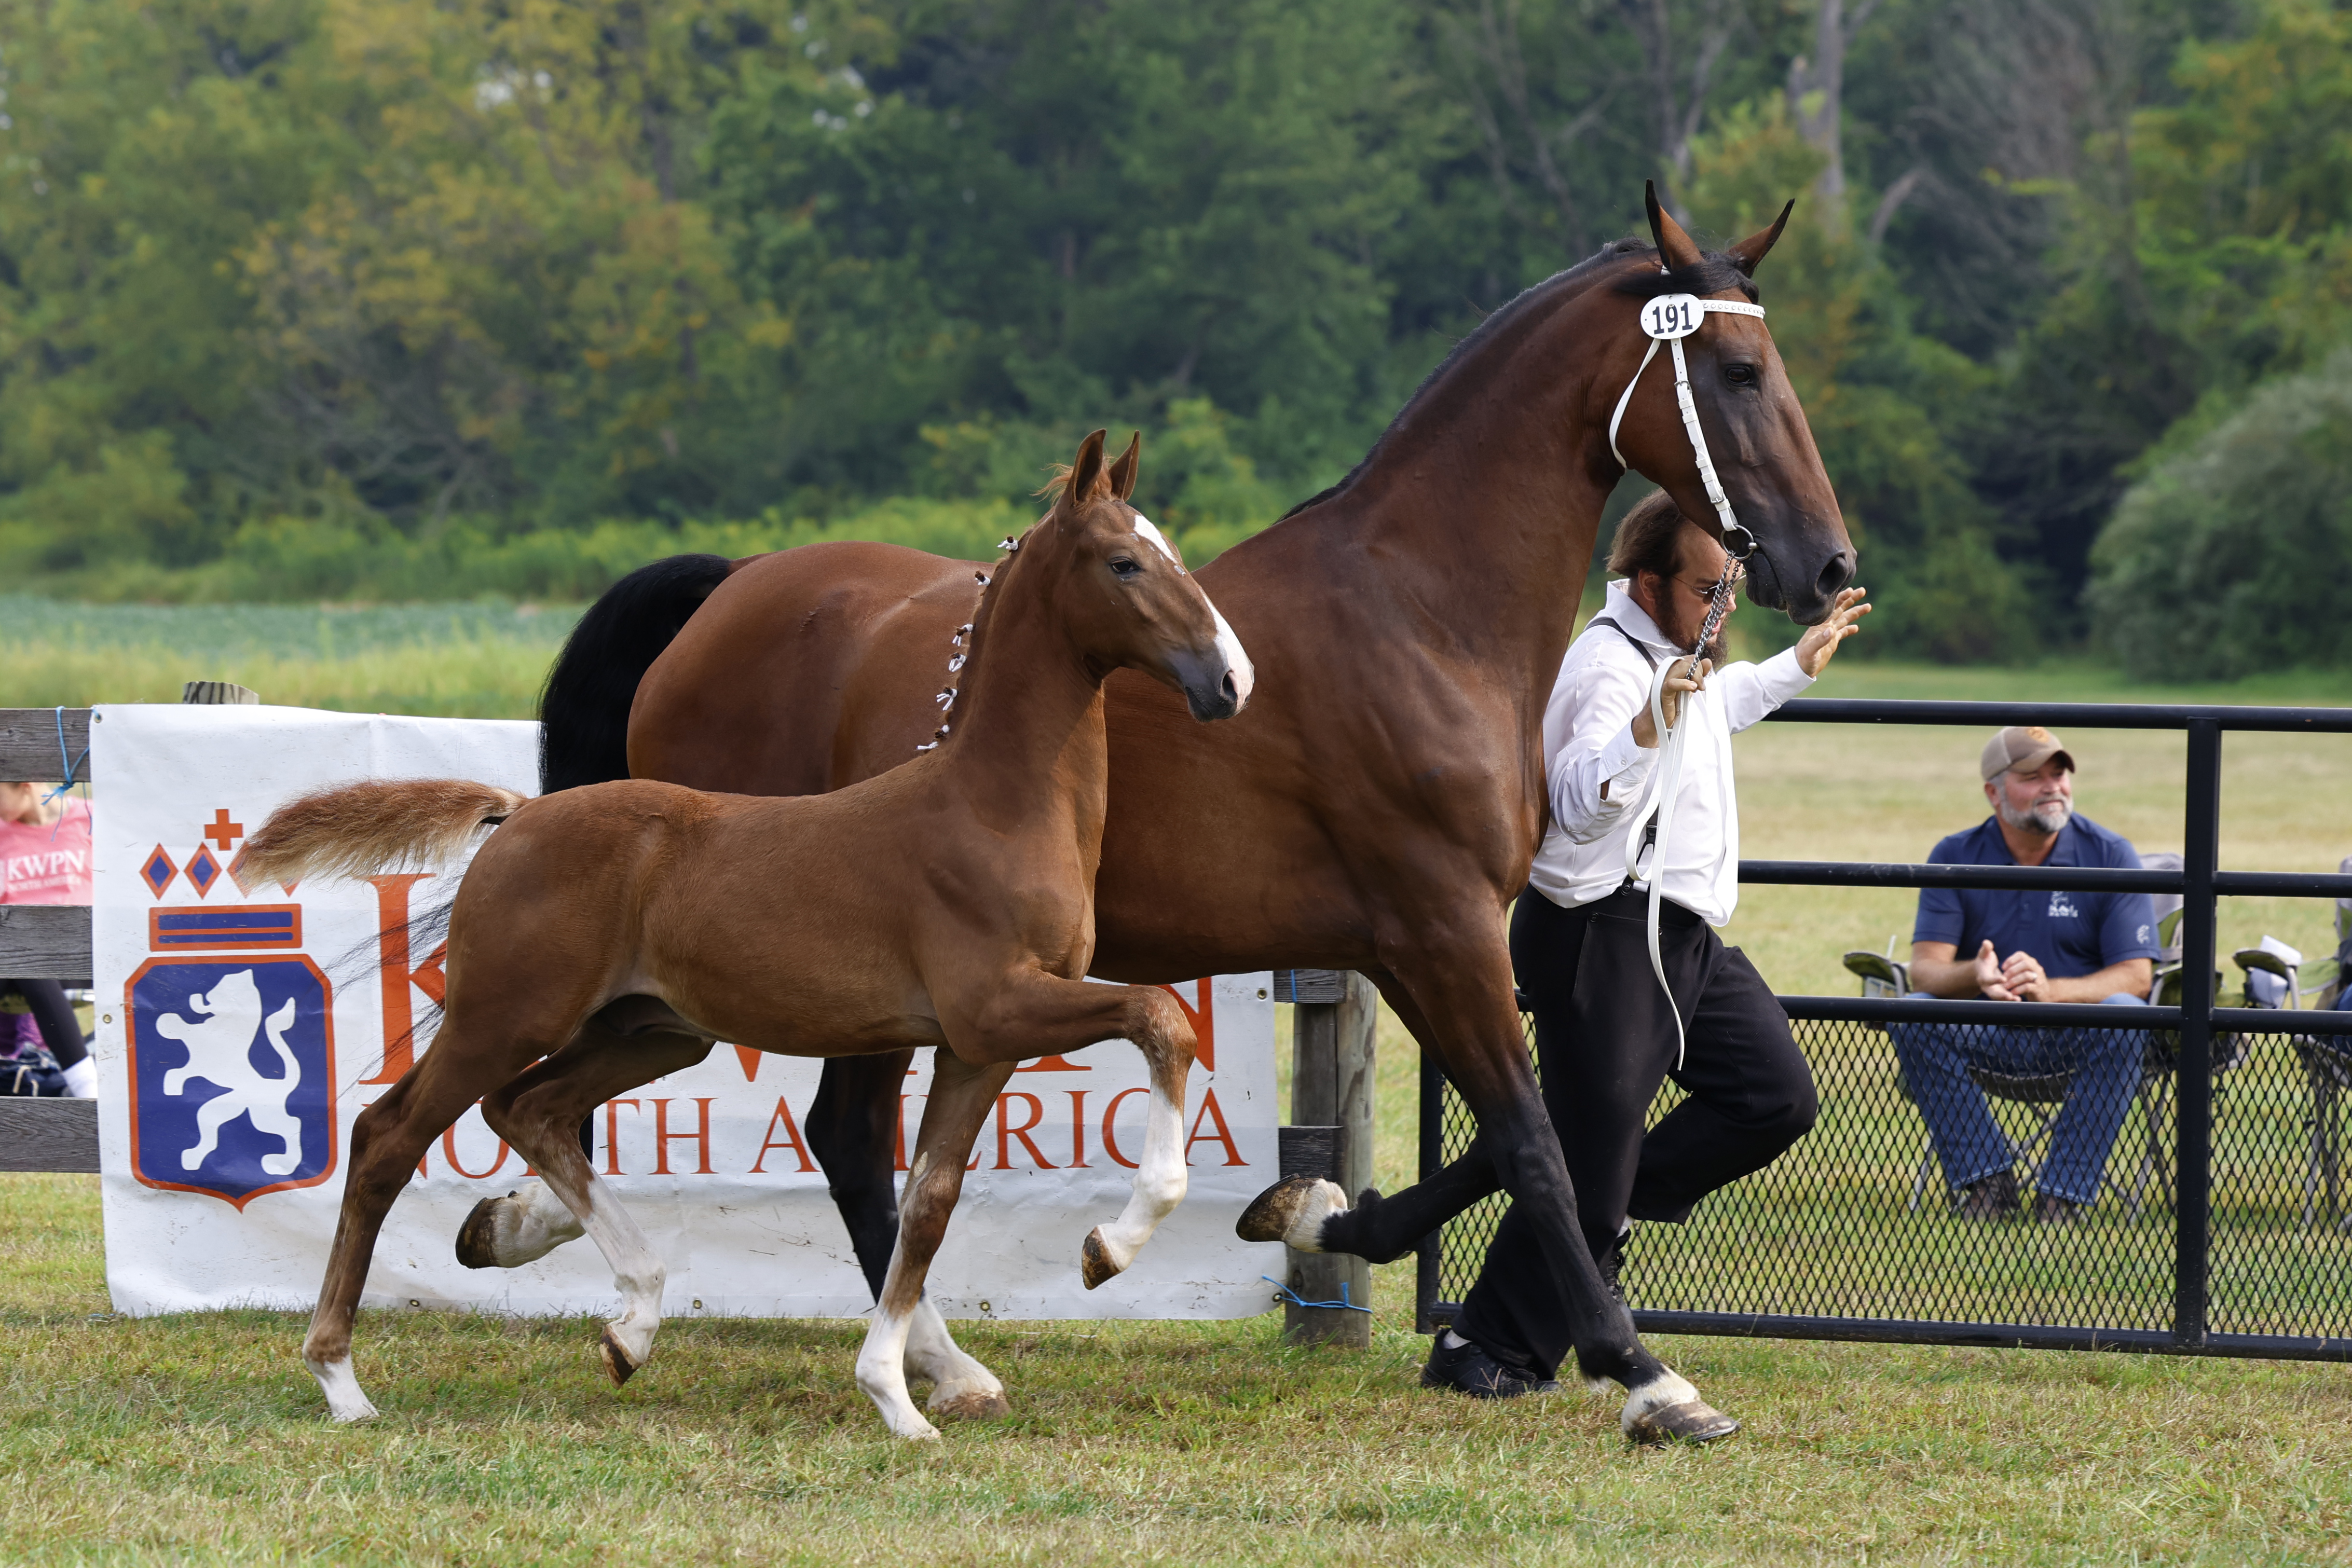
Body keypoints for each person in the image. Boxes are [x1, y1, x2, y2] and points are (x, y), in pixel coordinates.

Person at [1410, 490, 1870, 1401]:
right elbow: (1577, 798)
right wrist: (1648, 720)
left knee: (1771, 1096)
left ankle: (1597, 1214)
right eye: (1709, 588)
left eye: (1731, 587)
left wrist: (1794, 665)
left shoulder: (1674, 654)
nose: (1724, 604)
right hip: (1603, 934)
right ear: (1645, 580)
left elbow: (1714, 707)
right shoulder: (1607, 667)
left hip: (1679, 933)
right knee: (1591, 1159)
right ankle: (1482, 1348)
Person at [1889, 727, 2156, 1223]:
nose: (2053, 786)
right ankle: (1987, 1182)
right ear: (1994, 791)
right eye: (2032, 777)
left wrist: (2050, 991)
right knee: (1912, 1013)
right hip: (1986, 1031)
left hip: (2076, 1035)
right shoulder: (1955, 854)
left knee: (2128, 1014)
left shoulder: (2110, 854)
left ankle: (2064, 1196)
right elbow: (1924, 970)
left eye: (2059, 774)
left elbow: (2137, 976)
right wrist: (1976, 974)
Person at [0, 778, 97, 1098]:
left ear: (23, 783)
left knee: (30, 955)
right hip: (14, 962)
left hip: (78, 958)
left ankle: (87, 1088)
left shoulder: (92, 820)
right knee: (22, 951)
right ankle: (84, 1083)